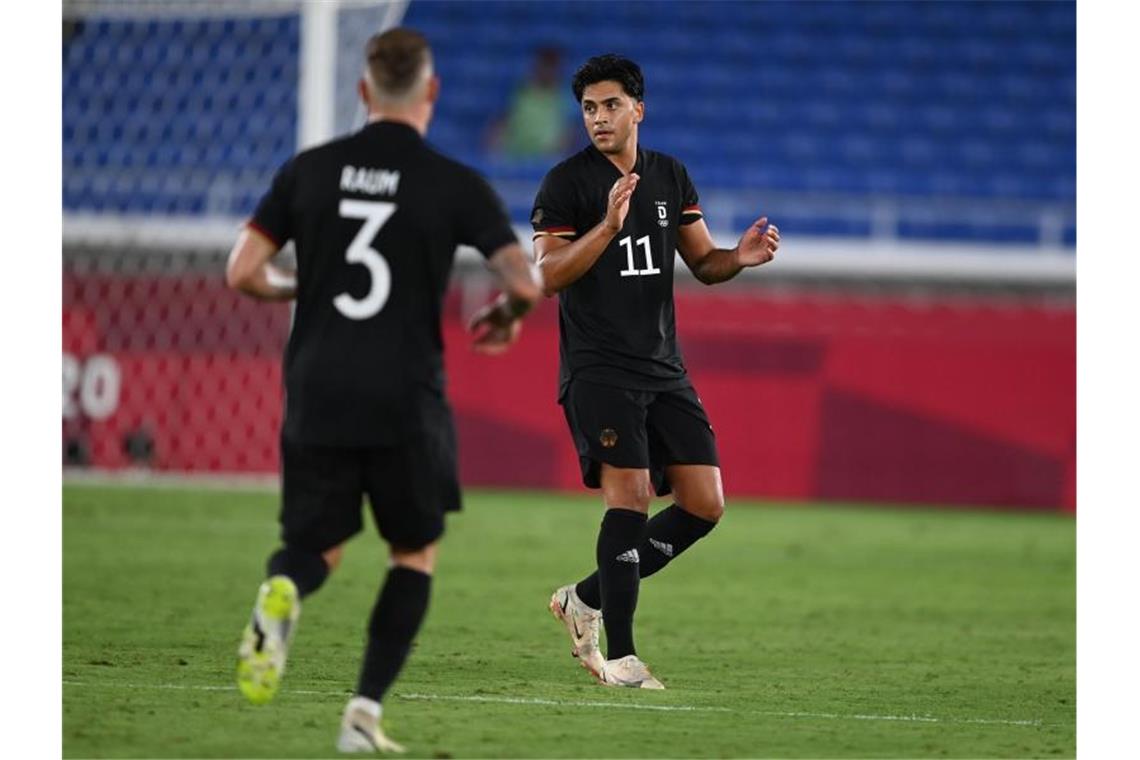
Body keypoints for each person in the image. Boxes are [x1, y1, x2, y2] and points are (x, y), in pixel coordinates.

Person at [225, 28, 541, 753]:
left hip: (317, 387)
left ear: (364, 92)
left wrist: (300, 284)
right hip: (404, 394)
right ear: (430, 93)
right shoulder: (454, 183)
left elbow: (241, 272)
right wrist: (509, 315)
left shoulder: (309, 170)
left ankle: (285, 593)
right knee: (412, 553)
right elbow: (523, 280)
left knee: (317, 546)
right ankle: (362, 714)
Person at [532, 54, 781, 689]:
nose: (598, 118)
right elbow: (547, 276)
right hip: (599, 368)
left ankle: (584, 597)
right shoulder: (566, 185)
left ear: (638, 109)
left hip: (664, 369)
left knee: (704, 503)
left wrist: (740, 258)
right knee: (632, 497)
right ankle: (621, 655)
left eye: (611, 105)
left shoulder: (670, 175)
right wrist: (607, 226)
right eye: (589, 108)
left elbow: (703, 263)